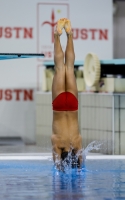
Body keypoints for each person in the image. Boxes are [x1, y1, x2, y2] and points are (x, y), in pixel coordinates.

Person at [51, 18, 82, 169]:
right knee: (59, 68)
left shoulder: (77, 143)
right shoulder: (57, 144)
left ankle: (69, 34)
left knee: (69, 67)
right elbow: (57, 164)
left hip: (72, 104)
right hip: (58, 106)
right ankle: (57, 35)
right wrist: (60, 166)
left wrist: (79, 164)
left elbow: (80, 164)